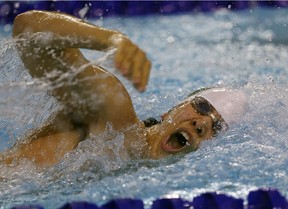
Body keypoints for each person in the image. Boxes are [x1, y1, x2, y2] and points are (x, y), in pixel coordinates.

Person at [0, 10, 247, 169]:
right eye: (201, 106)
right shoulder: (112, 118)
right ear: (170, 112)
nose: (201, 123)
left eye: (216, 127)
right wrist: (110, 39)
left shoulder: (136, 165)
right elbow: (29, 28)